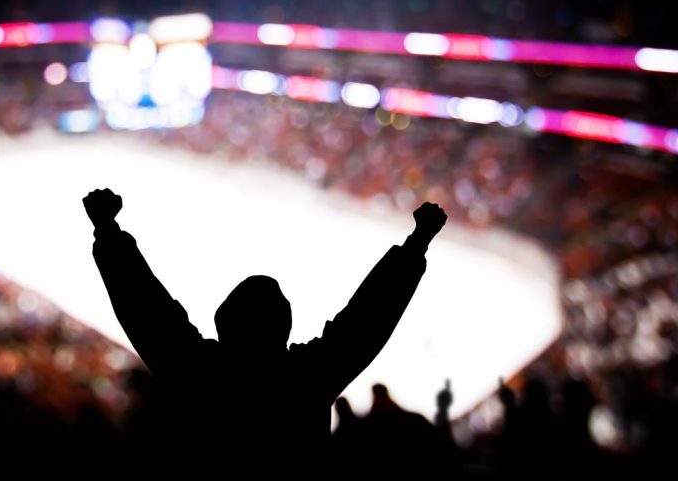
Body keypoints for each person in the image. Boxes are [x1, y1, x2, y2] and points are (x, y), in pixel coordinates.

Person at [83, 188, 446, 467]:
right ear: (283, 325)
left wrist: (109, 232)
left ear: (223, 321)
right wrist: (416, 245)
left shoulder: (198, 371)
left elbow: (147, 312)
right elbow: (366, 321)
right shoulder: (308, 377)